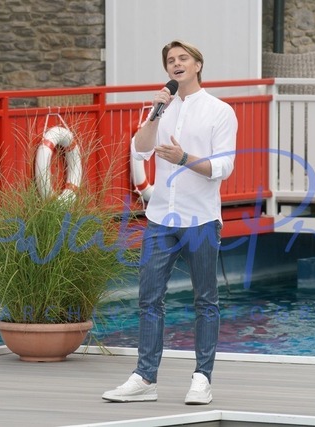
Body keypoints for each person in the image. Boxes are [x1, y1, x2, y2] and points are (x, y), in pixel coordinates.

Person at [102, 40, 237, 405]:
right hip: (161, 218)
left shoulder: (220, 111)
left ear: (197, 65)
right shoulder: (161, 107)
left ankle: (202, 379)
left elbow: (223, 167)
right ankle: (145, 378)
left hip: (201, 220)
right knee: (149, 299)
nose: (176, 64)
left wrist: (183, 158)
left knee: (205, 300)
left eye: (183, 58)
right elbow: (140, 150)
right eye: (170, 60)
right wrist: (155, 113)